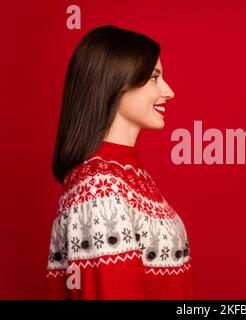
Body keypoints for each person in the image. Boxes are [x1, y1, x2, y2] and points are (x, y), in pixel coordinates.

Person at [46, 25, 195, 299]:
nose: (169, 91)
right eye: (154, 77)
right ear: (117, 81)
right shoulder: (99, 188)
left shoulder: (125, 176)